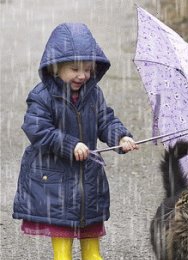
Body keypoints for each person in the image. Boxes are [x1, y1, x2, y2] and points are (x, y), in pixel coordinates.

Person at [12, 23, 138, 260]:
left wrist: (120, 136)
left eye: (88, 69)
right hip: (56, 183)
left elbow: (105, 120)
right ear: (55, 68)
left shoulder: (93, 94)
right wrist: (69, 144)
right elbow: (37, 129)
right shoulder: (42, 96)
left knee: (92, 244)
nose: (82, 75)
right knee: (63, 248)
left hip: (88, 181)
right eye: (74, 69)